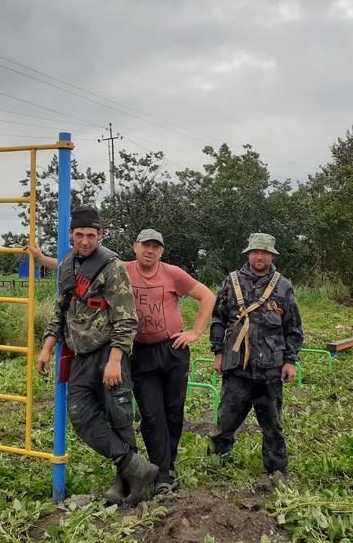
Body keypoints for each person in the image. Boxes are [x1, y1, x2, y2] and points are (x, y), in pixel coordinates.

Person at [35, 206, 159, 506]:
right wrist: (47, 348)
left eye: (91, 235)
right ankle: (136, 468)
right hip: (79, 355)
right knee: (80, 417)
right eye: (79, 235)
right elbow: (61, 309)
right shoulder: (68, 262)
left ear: (100, 235)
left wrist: (115, 360)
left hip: (108, 353)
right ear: (71, 235)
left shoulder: (111, 266)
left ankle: (126, 484)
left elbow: (127, 319)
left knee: (119, 419)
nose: (85, 241)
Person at [125, 229, 215, 494]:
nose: (149, 250)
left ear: (161, 251)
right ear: (135, 247)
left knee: (173, 410)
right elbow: (82, 265)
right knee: (152, 415)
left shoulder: (173, 273)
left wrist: (196, 332)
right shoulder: (122, 270)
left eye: (155, 246)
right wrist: (43, 259)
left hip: (174, 350)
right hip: (141, 352)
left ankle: (168, 466)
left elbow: (208, 296)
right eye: (145, 245)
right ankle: (160, 470)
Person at [209, 232, 303, 480]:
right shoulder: (232, 281)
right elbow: (218, 319)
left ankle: (276, 467)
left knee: (272, 422)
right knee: (227, 418)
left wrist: (291, 361)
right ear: (248, 253)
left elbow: (292, 326)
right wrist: (218, 354)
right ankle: (216, 461)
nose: (259, 256)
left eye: (264, 252)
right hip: (236, 365)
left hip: (270, 366)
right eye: (255, 251)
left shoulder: (283, 285)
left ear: (272, 255)